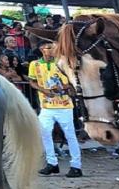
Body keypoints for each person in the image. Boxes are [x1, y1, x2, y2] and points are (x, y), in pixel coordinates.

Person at [28, 41, 82, 178]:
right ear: (42, 49)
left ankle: (76, 165)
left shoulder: (62, 63)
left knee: (70, 135)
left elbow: (71, 82)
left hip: (64, 105)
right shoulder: (35, 64)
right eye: (49, 48)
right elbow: (32, 81)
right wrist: (44, 90)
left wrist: (63, 87)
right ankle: (52, 163)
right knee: (44, 133)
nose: (53, 50)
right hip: (46, 106)